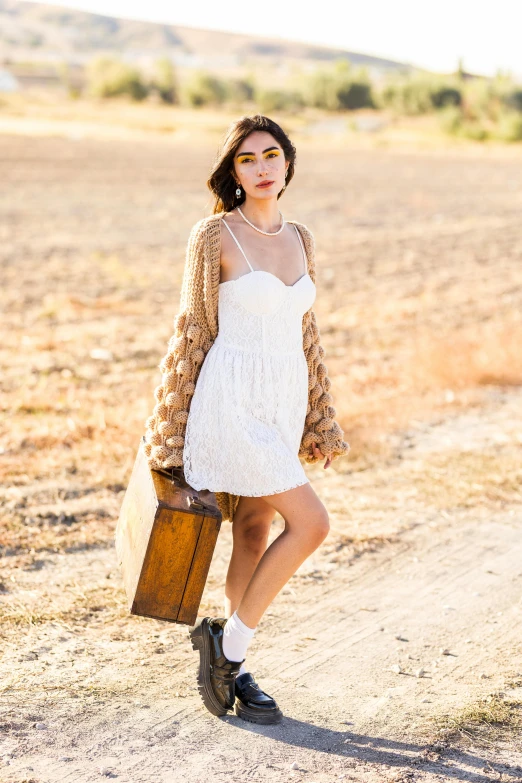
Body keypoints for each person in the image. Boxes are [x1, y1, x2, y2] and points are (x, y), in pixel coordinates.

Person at [144, 114, 350, 725]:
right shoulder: (213, 236)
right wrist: (170, 427)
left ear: (287, 163)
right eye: (246, 159)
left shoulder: (301, 237)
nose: (260, 168)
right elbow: (193, 331)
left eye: (270, 156)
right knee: (312, 524)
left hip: (281, 400)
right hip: (230, 400)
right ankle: (226, 652)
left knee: (256, 529)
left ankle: (237, 659)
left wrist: (318, 421)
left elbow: (304, 334)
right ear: (232, 170)